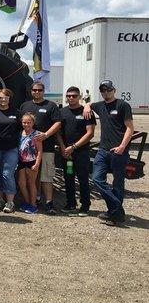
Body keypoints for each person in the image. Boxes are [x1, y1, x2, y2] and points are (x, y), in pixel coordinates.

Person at [84, 80, 134, 226]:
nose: (106, 93)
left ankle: (114, 214)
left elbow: (130, 128)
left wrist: (122, 147)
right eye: (103, 90)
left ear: (114, 90)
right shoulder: (100, 105)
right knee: (97, 179)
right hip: (103, 151)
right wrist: (87, 105)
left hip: (119, 152)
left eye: (108, 90)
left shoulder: (123, 105)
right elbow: (90, 104)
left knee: (118, 182)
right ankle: (117, 210)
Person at [20, 80, 61, 214]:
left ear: (44, 91)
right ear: (31, 91)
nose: (37, 92)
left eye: (40, 90)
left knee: (46, 176)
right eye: (34, 90)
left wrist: (46, 135)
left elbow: (57, 123)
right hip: (28, 152)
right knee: (33, 177)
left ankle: (49, 202)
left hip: (47, 147)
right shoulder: (25, 105)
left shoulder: (51, 106)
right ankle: (36, 199)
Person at [56, 86, 96, 216]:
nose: (71, 98)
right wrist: (63, 148)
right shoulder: (62, 112)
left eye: (74, 96)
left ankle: (85, 206)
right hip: (67, 154)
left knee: (83, 178)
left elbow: (90, 133)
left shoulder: (86, 112)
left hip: (81, 153)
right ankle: (71, 204)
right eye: (68, 96)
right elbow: (58, 133)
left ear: (79, 96)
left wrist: (73, 147)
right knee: (68, 177)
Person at [0, 88, 21, 213]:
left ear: (10, 98)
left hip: (11, 148)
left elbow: (23, 128)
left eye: (6, 97)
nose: (3, 100)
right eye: (0, 98)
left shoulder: (16, 112)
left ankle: (10, 202)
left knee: (7, 174)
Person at [18, 113, 43, 214]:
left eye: (29, 122)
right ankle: (28, 202)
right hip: (21, 161)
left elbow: (40, 151)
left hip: (32, 161)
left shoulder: (36, 134)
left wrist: (37, 164)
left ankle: (33, 204)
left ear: (33, 123)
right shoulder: (20, 133)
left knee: (31, 183)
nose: (26, 124)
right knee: (21, 183)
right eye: (24, 122)